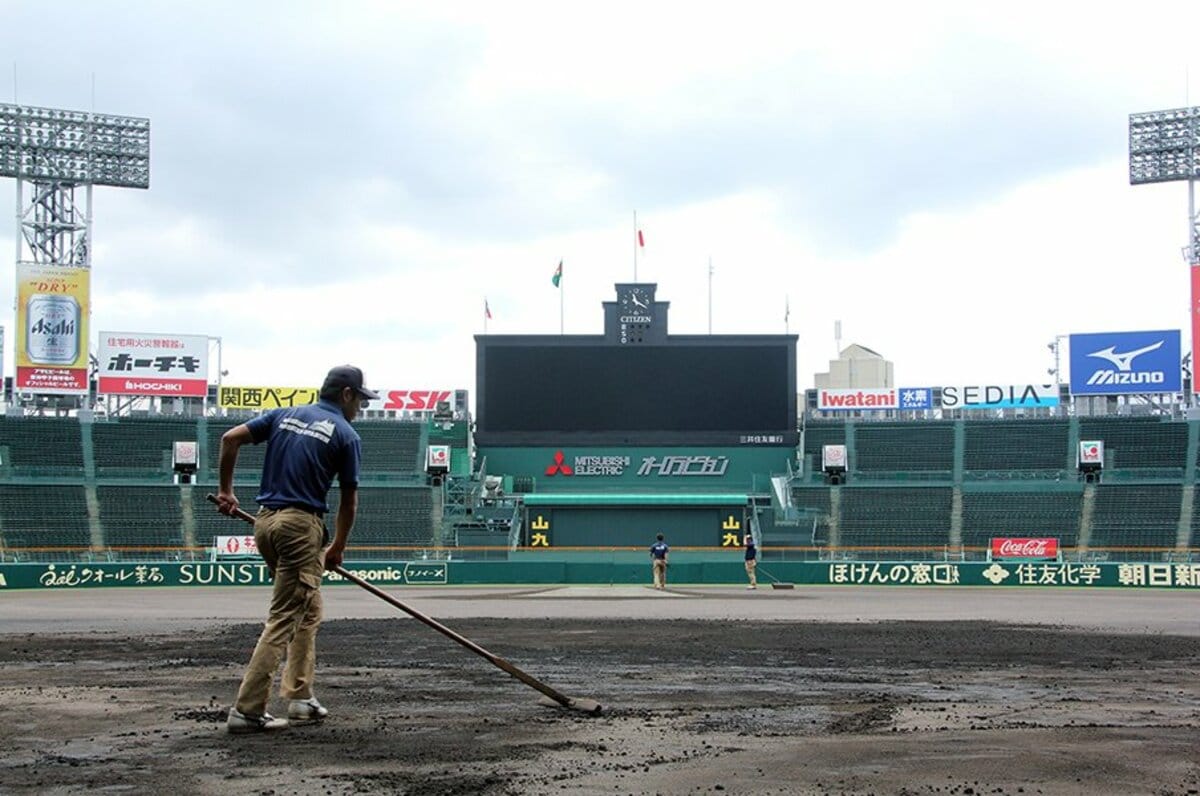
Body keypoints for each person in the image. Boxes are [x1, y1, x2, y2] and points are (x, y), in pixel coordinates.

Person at [214, 365, 378, 734]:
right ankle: (248, 709)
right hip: (301, 527)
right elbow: (349, 501)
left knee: (308, 609)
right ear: (347, 394)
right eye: (360, 401)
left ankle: (301, 698)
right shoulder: (347, 434)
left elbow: (229, 438)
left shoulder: (283, 415)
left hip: (265, 523)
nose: (360, 410)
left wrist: (225, 490)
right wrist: (337, 547)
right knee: (285, 617)